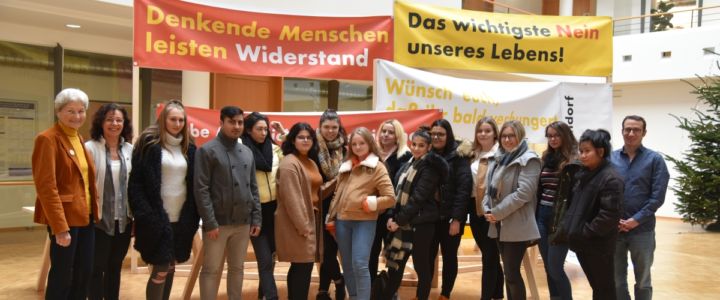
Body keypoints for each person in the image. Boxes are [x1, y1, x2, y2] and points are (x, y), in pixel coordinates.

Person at [129, 100, 200, 300]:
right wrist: (145, 214)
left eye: (181, 120)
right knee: (160, 268)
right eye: (173, 119)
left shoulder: (190, 148)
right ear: (163, 120)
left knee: (170, 268)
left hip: (181, 219)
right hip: (156, 218)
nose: (177, 124)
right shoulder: (148, 145)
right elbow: (135, 184)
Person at [32, 88, 99, 299]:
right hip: (65, 219)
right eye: (71, 111)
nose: (77, 116)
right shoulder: (48, 139)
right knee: (62, 275)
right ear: (58, 111)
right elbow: (46, 187)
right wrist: (59, 228)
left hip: (86, 216)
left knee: (84, 273)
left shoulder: (78, 138)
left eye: (81, 111)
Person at [194, 106, 262, 300]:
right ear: (221, 122)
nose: (236, 126)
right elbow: (201, 189)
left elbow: (253, 188)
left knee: (237, 268)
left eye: (240, 122)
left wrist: (256, 218)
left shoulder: (247, 152)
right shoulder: (207, 150)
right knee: (211, 270)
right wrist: (210, 222)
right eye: (232, 122)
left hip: (243, 222)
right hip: (217, 224)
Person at [326, 127, 396, 300]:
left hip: (364, 222)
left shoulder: (377, 167)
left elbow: (390, 198)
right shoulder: (346, 166)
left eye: (361, 143)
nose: (357, 147)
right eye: (354, 144)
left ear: (370, 144)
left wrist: (372, 203)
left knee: (360, 264)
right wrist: (332, 216)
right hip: (342, 222)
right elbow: (337, 195)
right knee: (348, 266)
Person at [380, 126, 448, 300]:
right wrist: (390, 217)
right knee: (396, 266)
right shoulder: (407, 165)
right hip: (402, 225)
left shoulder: (430, 168)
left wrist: (398, 221)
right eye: (414, 144)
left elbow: (417, 199)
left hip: (421, 225)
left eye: (421, 145)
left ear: (429, 147)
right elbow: (395, 194)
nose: (416, 148)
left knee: (421, 267)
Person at [558, 129, 623, 300]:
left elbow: (608, 216)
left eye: (587, 151)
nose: (582, 155)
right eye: (581, 151)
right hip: (583, 243)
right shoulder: (584, 174)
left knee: (605, 290)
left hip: (598, 245)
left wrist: (584, 232)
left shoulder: (611, 178)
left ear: (600, 152)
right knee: (598, 288)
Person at [611, 115, 670, 300]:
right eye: (627, 129)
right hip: (614, 230)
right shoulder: (610, 159)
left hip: (642, 230)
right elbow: (603, 192)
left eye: (636, 130)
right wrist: (612, 219)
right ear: (622, 131)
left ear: (644, 133)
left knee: (643, 280)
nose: (631, 133)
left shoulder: (655, 160)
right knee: (616, 279)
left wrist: (635, 220)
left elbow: (657, 197)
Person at [483, 120, 541, 300]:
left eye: (511, 136)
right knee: (509, 274)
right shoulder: (499, 157)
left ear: (520, 136)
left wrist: (497, 212)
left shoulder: (529, 159)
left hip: (517, 224)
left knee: (512, 273)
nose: (507, 140)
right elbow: (488, 188)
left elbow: (523, 194)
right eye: (504, 136)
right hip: (499, 222)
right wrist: (486, 208)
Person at [85, 103, 134, 300]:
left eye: (119, 120)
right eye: (109, 119)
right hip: (98, 220)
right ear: (101, 122)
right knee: (96, 268)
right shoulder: (89, 148)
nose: (114, 123)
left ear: (124, 124)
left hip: (123, 220)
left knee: (115, 267)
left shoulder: (131, 149)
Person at [275, 122, 327, 300]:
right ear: (293, 140)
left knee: (302, 267)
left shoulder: (310, 161)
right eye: (301, 137)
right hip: (297, 223)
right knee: (301, 267)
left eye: (309, 137)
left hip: (311, 219)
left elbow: (314, 189)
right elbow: (292, 199)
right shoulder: (290, 163)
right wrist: (303, 226)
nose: (305, 140)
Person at [428, 119, 472, 300]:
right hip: (430, 217)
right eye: (434, 134)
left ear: (448, 135)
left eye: (441, 134)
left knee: (449, 257)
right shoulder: (427, 154)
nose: (436, 137)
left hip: (451, 218)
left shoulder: (459, 156)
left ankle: (445, 293)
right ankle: (423, 291)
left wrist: (457, 219)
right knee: (427, 256)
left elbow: (464, 188)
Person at [536, 121, 580, 300]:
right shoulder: (546, 158)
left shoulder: (574, 160)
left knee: (555, 267)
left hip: (561, 218)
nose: (553, 139)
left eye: (557, 135)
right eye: (550, 136)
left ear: (565, 136)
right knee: (548, 266)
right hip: (541, 215)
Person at [243, 112, 282, 300]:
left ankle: (263, 294)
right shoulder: (241, 150)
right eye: (259, 129)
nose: (264, 132)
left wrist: (282, 134)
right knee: (265, 259)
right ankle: (272, 296)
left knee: (271, 258)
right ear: (249, 130)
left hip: (275, 210)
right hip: (254, 211)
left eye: (266, 129)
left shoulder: (275, 150)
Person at [370, 119, 412, 282]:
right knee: (371, 252)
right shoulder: (372, 154)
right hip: (373, 210)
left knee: (393, 255)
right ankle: (372, 288)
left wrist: (394, 214)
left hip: (393, 213)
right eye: (384, 131)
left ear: (398, 136)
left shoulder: (406, 156)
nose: (386, 135)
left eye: (391, 132)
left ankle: (389, 290)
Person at [468, 117, 505, 300]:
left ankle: (486, 297)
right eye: (480, 130)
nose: (483, 134)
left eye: (487, 130)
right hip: (475, 212)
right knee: (489, 255)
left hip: (493, 212)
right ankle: (497, 295)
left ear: (495, 133)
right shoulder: (472, 154)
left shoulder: (501, 154)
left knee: (489, 257)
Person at [312, 109, 347, 300]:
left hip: (340, 205)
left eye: (334, 127)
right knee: (324, 252)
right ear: (320, 127)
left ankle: (323, 290)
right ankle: (339, 280)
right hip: (319, 205)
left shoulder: (345, 147)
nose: (331, 131)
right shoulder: (313, 146)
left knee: (332, 249)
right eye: (327, 127)